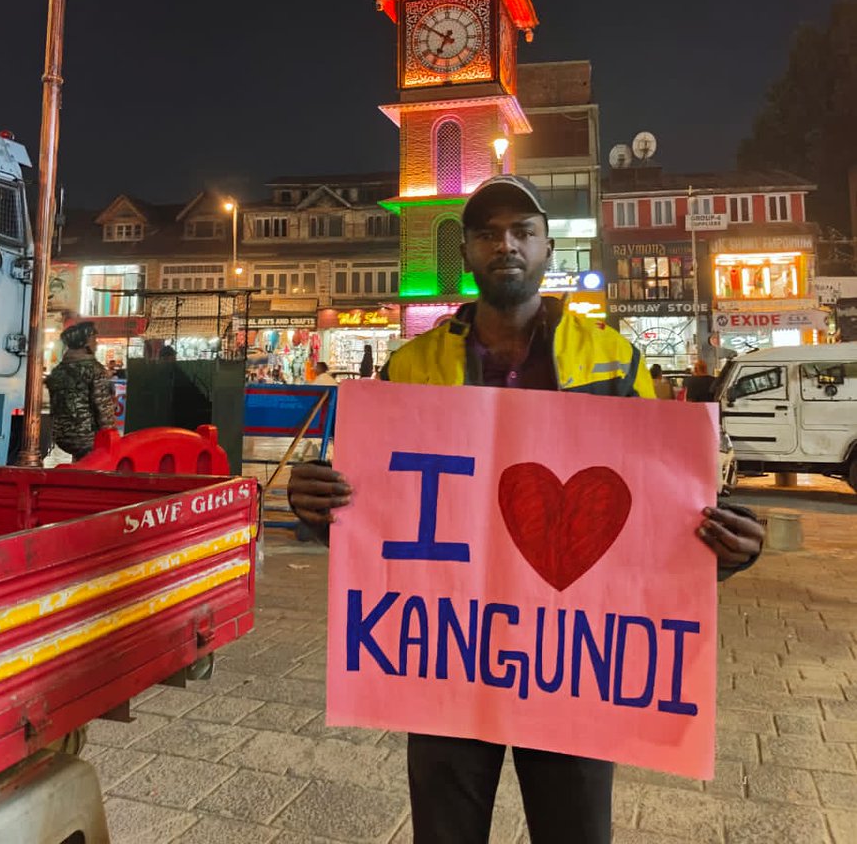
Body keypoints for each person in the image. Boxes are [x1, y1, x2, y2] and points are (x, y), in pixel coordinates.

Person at [287, 173, 764, 844]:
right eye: (486, 233)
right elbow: (385, 521)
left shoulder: (616, 364)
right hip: (448, 662)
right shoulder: (409, 369)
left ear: (547, 249)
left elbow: (662, 509)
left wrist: (725, 551)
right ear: (466, 254)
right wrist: (319, 510)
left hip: (573, 666)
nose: (504, 244)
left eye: (522, 231)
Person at [45, 321, 115, 460]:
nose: (97, 343)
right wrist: (111, 435)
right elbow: (103, 408)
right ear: (85, 343)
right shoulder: (94, 370)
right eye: (94, 339)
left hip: (60, 436)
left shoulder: (58, 370)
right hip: (87, 437)